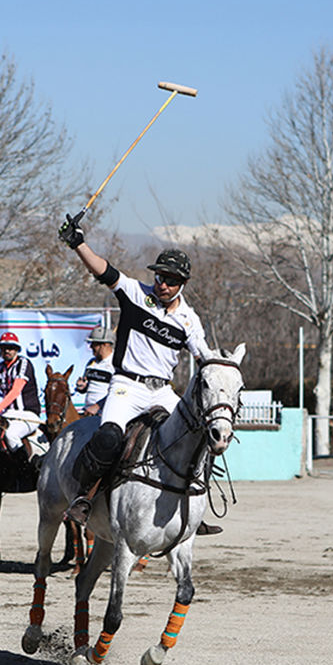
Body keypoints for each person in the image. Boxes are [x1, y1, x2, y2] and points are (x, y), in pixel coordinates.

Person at [58, 214, 213, 525]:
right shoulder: (135, 293)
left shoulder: (189, 320)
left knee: (200, 439)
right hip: (126, 387)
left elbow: (204, 357)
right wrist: (78, 244)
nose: (162, 284)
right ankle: (84, 498)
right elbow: (103, 269)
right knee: (108, 440)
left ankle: (193, 508)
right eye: (159, 277)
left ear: (182, 283)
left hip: (163, 391)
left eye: (170, 280)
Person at [0, 331, 42, 462]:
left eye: (11, 348)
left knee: (11, 435)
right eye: (4, 348)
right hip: (7, 415)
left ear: (17, 350)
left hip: (27, 415)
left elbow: (16, 391)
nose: (7, 351)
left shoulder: (24, 364)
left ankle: (24, 470)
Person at [75, 325, 115, 417]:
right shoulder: (91, 363)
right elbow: (88, 386)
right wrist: (83, 387)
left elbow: (115, 392)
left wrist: (98, 406)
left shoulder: (115, 364)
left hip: (105, 413)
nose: (91, 347)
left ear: (105, 344)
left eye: (95, 344)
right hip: (88, 412)